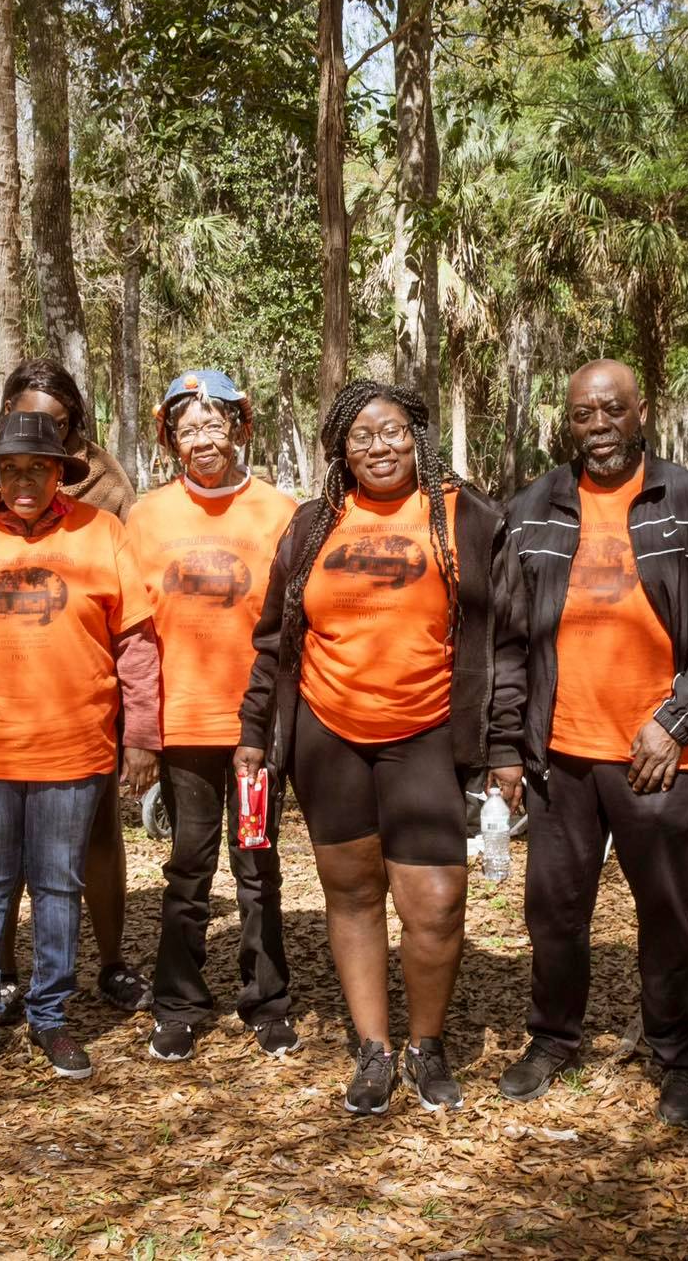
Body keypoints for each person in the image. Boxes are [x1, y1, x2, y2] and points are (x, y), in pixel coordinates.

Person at [236, 380, 527, 1115]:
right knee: (353, 892)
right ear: (341, 449)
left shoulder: (465, 518)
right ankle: (374, 1048)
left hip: (428, 733)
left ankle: (427, 1045)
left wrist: (504, 748)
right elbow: (274, 641)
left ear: (419, 436)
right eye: (362, 436)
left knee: (434, 903)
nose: (380, 447)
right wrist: (252, 733)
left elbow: (507, 642)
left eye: (393, 431)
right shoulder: (311, 527)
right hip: (328, 737)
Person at [500, 359, 688, 1127]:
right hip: (561, 754)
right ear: (568, 422)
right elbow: (506, 640)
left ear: (642, 411)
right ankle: (552, 1039)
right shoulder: (534, 508)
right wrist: (506, 746)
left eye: (613, 410)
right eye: (583, 414)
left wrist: (674, 722)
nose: (599, 425)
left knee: (667, 912)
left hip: (659, 757)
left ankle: (678, 1055)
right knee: (554, 909)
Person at [0, 411, 161, 1085]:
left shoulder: (101, 533)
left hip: (74, 750)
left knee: (58, 888)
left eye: (38, 468)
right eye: (13, 468)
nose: (25, 479)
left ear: (60, 474)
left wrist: (141, 735)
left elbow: (136, 643)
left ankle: (52, 1017)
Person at [125, 371, 300, 1063]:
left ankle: (267, 1000)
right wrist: (138, 732)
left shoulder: (281, 512)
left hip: (254, 736)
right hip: (184, 732)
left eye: (215, 424)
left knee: (256, 863)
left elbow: (297, 624)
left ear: (241, 428)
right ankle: (177, 1003)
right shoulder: (147, 517)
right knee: (188, 867)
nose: (203, 439)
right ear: (170, 439)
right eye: (188, 428)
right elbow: (134, 632)